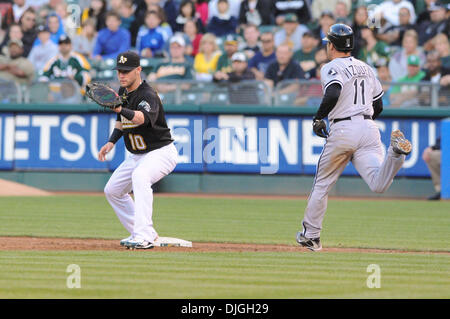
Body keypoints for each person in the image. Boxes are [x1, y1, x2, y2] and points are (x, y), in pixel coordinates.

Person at [296, 24, 412, 251]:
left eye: (328, 42)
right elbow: (377, 104)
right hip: (369, 127)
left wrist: (318, 118)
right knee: (378, 183)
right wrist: (364, 122)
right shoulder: (367, 68)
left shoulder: (331, 66)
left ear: (331, 45)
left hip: (343, 128)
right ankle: (395, 153)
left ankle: (311, 236)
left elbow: (333, 91)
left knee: (322, 185)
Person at [98, 51, 178, 250]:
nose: (122, 75)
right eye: (119, 71)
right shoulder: (124, 91)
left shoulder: (147, 94)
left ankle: (144, 235)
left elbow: (141, 118)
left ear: (138, 70)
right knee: (113, 190)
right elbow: (122, 121)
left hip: (160, 152)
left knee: (140, 176)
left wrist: (119, 109)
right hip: (137, 155)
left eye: (126, 71)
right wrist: (112, 142)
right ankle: (142, 232)